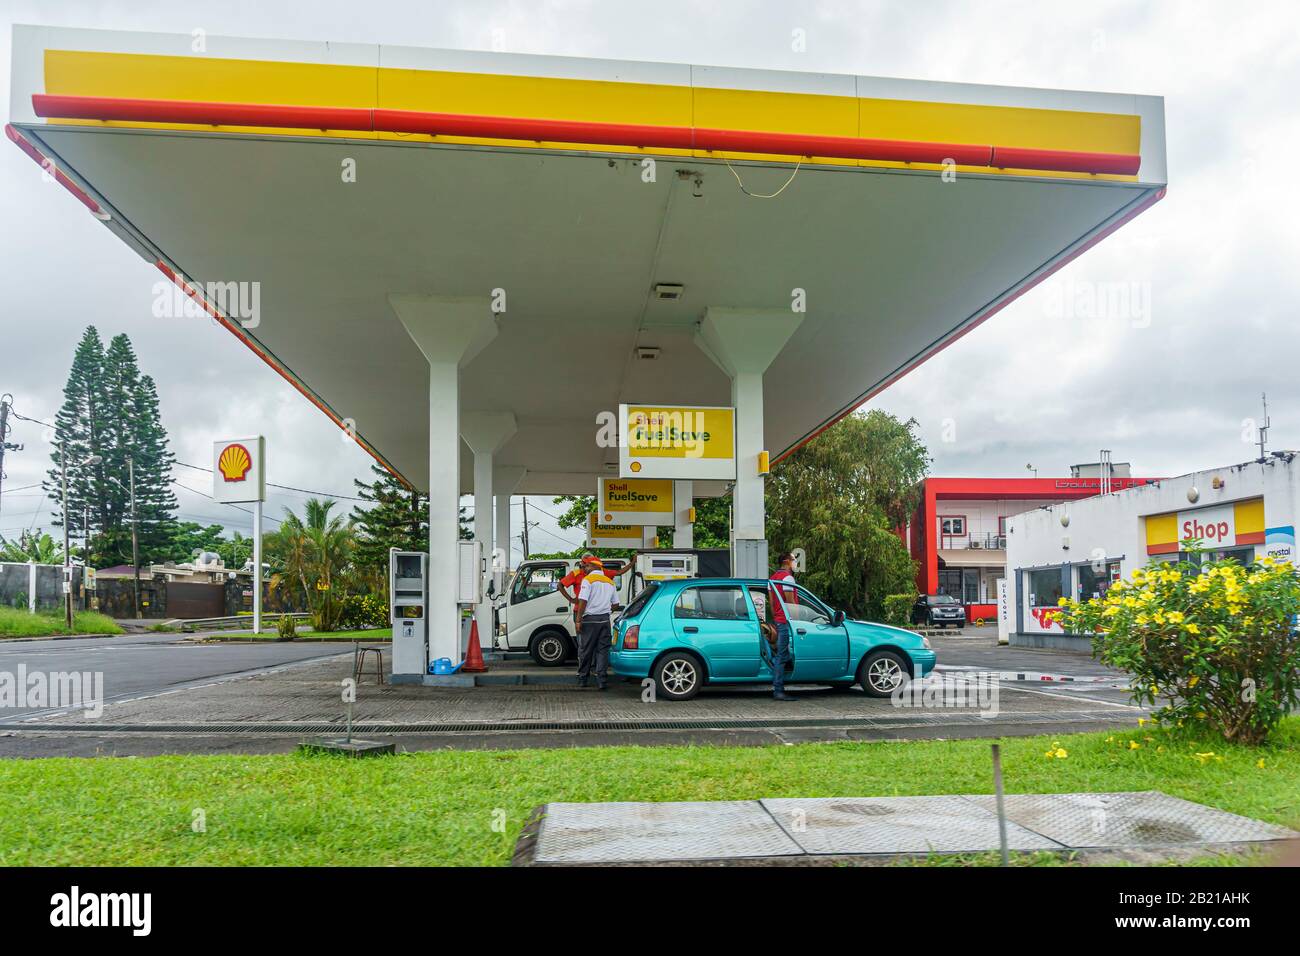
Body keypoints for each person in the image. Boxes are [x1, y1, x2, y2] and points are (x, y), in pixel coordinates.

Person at [573, 556, 618, 689]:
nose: (584, 569)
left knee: (586, 650)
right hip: (604, 620)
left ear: (593, 566)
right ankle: (602, 680)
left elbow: (583, 601)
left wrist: (578, 619)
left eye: (585, 566)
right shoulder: (610, 582)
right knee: (602, 650)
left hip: (589, 620)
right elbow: (615, 604)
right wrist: (606, 611)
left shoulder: (588, 580)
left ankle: (583, 678)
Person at [768, 551, 799, 701]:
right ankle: (778, 689)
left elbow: (772, 604)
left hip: (779, 620)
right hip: (788, 621)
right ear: (787, 561)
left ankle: (775, 677)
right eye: (794, 560)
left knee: (783, 653)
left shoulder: (772, 579)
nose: (795, 563)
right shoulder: (788, 578)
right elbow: (791, 602)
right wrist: (798, 620)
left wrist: (776, 617)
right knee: (782, 655)